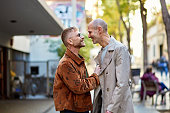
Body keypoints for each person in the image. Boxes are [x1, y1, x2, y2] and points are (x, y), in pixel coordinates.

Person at [88, 18, 134, 113]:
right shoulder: (100, 52)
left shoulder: (120, 49)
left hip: (117, 109)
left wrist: (111, 109)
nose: (88, 36)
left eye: (90, 32)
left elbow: (122, 83)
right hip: (104, 106)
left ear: (99, 30)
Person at [53, 27, 100, 113]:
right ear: (70, 41)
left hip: (80, 108)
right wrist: (95, 76)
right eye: (78, 35)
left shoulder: (77, 60)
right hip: (72, 110)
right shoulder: (65, 63)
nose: (82, 37)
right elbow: (79, 87)